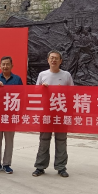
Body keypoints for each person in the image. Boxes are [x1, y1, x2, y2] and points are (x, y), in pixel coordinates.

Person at [32, 50, 74, 178]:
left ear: (61, 61)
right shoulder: (42, 75)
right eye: (51, 58)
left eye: (56, 58)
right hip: (46, 112)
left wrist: (64, 90)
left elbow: (72, 92)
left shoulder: (66, 75)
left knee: (61, 140)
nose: (53, 60)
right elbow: (35, 91)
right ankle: (40, 166)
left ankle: (61, 167)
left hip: (61, 112)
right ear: (48, 60)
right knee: (44, 140)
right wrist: (42, 88)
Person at [0, 56, 24, 175]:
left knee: (9, 140)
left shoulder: (17, 79)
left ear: (11, 66)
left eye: (7, 64)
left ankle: (7, 164)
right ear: (0, 66)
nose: (5, 66)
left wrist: (20, 114)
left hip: (11, 114)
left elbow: (22, 96)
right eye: (3, 64)